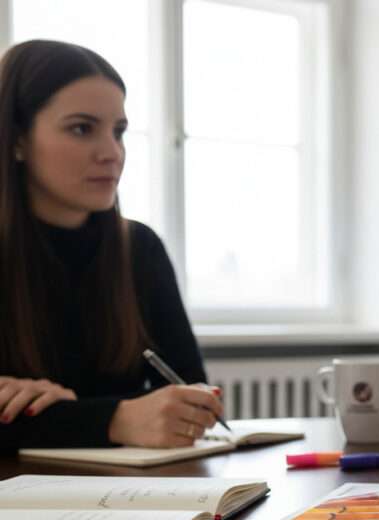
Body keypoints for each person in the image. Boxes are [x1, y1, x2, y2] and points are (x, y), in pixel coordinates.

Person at [0, 40, 222, 454]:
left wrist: (67, 416)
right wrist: (117, 418)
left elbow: (189, 399)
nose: (112, 153)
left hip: (128, 502)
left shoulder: (139, 248)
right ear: (17, 140)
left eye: (118, 131)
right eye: (82, 128)